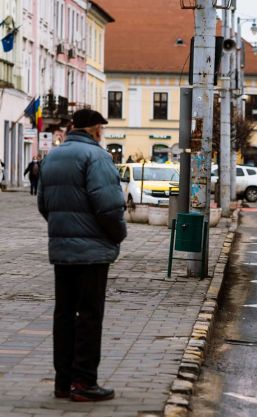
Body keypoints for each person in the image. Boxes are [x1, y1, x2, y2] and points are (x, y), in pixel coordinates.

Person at [37, 109, 127, 402]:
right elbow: (109, 207)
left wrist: (62, 229)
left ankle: (63, 382)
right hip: (92, 251)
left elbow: (43, 203)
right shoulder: (97, 158)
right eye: (102, 127)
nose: (103, 132)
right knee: (89, 315)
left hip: (62, 249)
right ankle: (84, 382)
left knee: (64, 314)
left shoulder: (53, 156)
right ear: (95, 129)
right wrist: (118, 235)